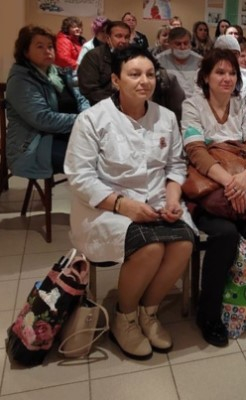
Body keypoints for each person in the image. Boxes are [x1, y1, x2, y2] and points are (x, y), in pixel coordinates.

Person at [64, 46, 195, 360]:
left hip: (157, 200)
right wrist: (125, 206)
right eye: (134, 74)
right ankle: (124, 317)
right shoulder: (92, 120)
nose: (144, 81)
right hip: (105, 208)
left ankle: (148, 312)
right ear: (115, 79)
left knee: (183, 243)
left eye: (149, 74)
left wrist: (173, 199)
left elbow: (175, 165)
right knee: (150, 248)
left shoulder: (165, 117)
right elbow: (80, 176)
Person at [181, 49, 246, 347]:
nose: (227, 78)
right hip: (209, 186)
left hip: (242, 180)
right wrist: (230, 183)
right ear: (206, 77)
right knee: (224, 234)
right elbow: (196, 151)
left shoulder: (243, 105)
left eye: (232, 73)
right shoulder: (192, 105)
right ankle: (208, 314)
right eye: (220, 72)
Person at [6, 25, 89, 179]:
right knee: (90, 162)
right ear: (25, 52)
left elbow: (80, 98)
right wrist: (83, 120)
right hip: (34, 146)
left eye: (50, 46)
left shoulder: (59, 73)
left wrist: (88, 116)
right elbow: (43, 119)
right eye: (40, 46)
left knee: (110, 150)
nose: (47, 51)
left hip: (66, 133)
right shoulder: (20, 81)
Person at [78, 20, 130, 105]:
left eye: (127, 37)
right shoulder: (93, 57)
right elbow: (90, 90)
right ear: (108, 38)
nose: (123, 41)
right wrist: (117, 103)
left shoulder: (132, 57)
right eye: (118, 36)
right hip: (102, 105)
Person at [156, 27, 203, 98]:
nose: (182, 47)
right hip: (169, 101)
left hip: (195, 101)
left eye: (186, 43)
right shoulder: (159, 60)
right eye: (178, 44)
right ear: (170, 44)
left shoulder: (200, 61)